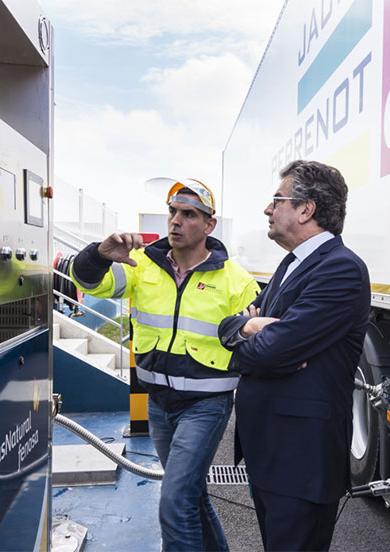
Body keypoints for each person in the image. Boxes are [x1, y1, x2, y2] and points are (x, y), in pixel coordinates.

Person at [69, 178, 259, 552]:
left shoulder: (236, 280)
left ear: (209, 225)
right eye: (173, 212)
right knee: (190, 494)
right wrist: (98, 255)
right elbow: (89, 283)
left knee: (175, 501)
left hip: (206, 406)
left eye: (189, 214)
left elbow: (257, 339)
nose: (176, 220)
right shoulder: (141, 264)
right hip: (158, 404)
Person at [218, 160, 370, 551]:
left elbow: (271, 352)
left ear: (306, 209)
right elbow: (228, 327)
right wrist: (250, 327)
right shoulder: (291, 264)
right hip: (271, 451)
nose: (268, 210)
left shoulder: (341, 269)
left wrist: (257, 337)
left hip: (300, 459)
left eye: (276, 200)